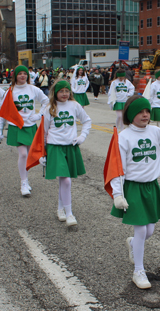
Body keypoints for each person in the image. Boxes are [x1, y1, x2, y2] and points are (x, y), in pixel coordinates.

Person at [110, 95, 160, 289]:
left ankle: (132, 244)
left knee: (149, 230)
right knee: (140, 229)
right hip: (132, 187)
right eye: (140, 112)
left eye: (147, 111)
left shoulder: (156, 132)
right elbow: (118, 168)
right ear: (131, 114)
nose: (145, 115)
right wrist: (117, 194)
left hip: (151, 187)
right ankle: (138, 271)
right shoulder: (124, 137)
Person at [40, 80, 92, 226]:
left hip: (70, 146)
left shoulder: (75, 105)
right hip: (55, 146)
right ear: (55, 93)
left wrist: (82, 136)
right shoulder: (49, 108)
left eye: (67, 91)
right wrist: (42, 153)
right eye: (61, 91)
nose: (64, 94)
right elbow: (43, 132)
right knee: (66, 180)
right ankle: (69, 214)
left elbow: (87, 121)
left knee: (64, 181)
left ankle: (60, 209)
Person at [2, 65, 49, 196]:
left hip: (30, 125)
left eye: (25, 73)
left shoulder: (33, 89)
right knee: (22, 154)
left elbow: (46, 101)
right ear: (15, 76)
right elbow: (4, 110)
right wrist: (0, 128)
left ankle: (26, 180)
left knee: (28, 155)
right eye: (20, 73)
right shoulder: (10, 91)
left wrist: (39, 115)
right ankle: (23, 182)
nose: (22, 75)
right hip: (16, 125)